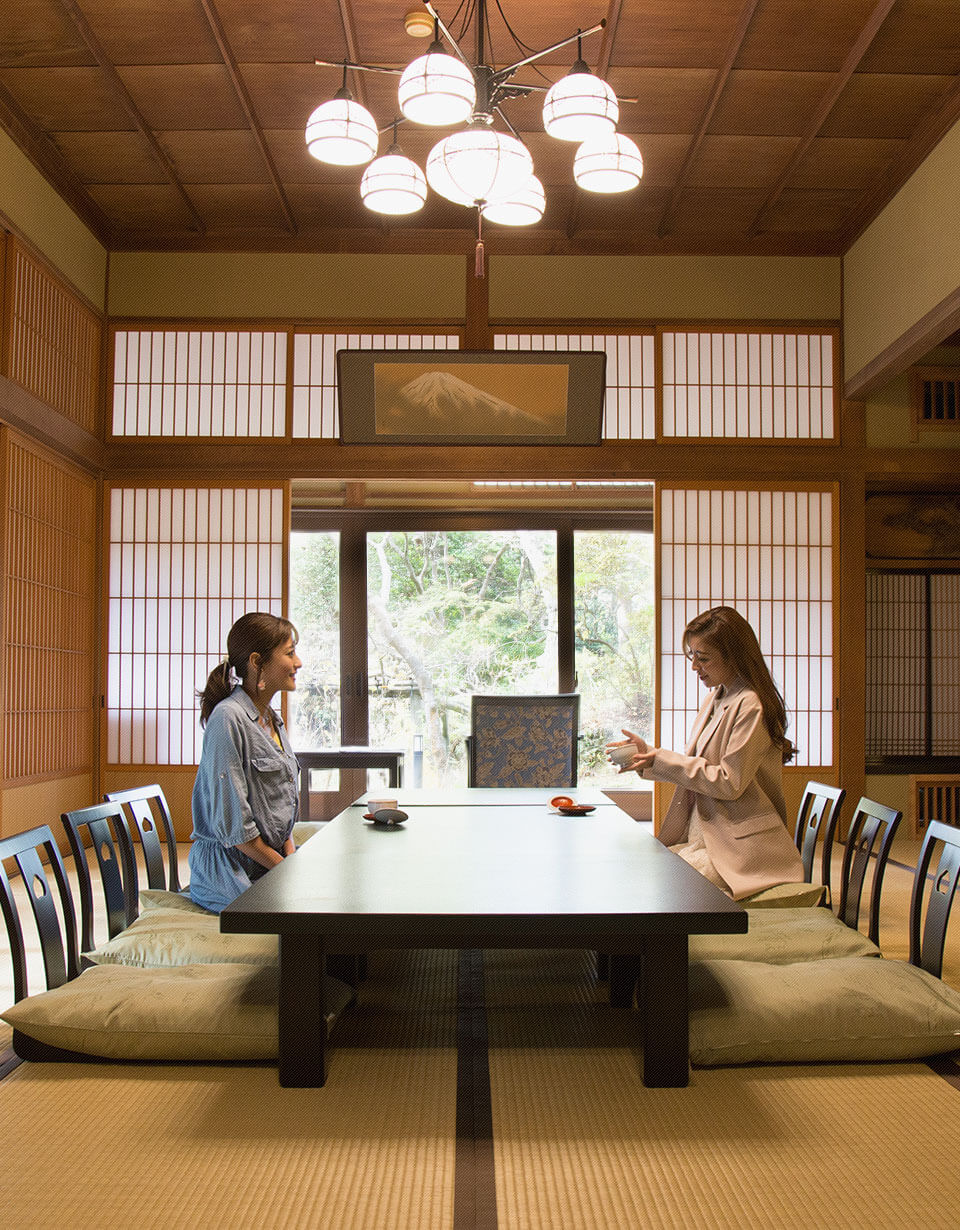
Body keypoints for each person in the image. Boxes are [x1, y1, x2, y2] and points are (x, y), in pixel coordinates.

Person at [608, 605, 804, 900]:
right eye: (692, 657)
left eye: (703, 658)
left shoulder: (751, 704)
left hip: (740, 845)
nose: (694, 667)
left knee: (654, 886)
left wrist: (659, 760)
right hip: (709, 834)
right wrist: (647, 754)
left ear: (734, 656)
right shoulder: (718, 696)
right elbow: (700, 764)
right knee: (635, 870)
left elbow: (729, 782)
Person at [188, 611, 303, 912]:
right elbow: (236, 831)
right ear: (257, 662)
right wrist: (287, 870)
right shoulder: (228, 718)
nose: (298, 663)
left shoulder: (270, 718)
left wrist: (291, 856)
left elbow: (281, 805)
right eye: (290, 654)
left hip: (267, 863)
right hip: (231, 871)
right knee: (311, 913)